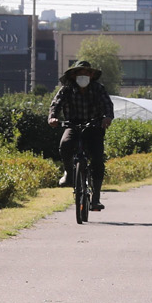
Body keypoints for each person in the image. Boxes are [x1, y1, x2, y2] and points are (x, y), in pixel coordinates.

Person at [48, 59, 112, 210]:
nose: (83, 76)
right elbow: (55, 104)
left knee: (97, 160)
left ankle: (95, 198)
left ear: (91, 75)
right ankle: (69, 174)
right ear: (74, 76)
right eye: (80, 73)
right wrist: (52, 117)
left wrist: (108, 117)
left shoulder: (98, 89)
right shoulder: (66, 89)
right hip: (73, 124)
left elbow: (108, 105)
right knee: (65, 144)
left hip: (94, 126)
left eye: (86, 73)